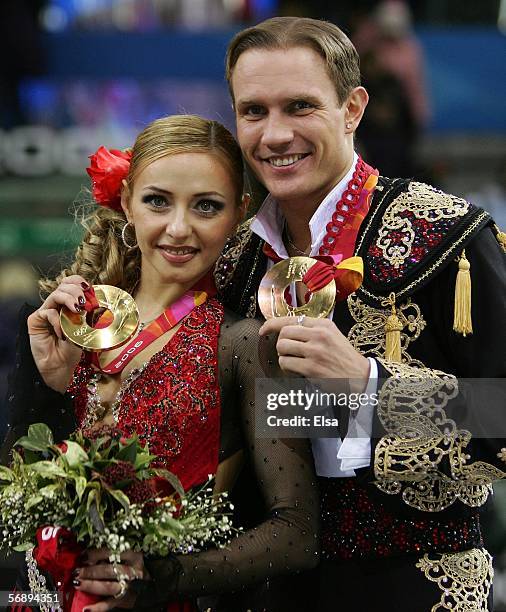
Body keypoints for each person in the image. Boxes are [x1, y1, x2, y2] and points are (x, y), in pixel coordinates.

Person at [214, 16, 506, 611]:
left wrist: (372, 386)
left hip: (418, 585)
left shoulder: (446, 236)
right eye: (253, 111)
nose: (274, 135)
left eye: (300, 106)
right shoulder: (232, 259)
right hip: (268, 590)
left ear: (352, 109)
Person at [2, 114, 319, 611]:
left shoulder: (247, 345)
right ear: (127, 200)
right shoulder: (60, 323)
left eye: (206, 207)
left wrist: (156, 579)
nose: (178, 228)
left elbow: (296, 533)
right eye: (157, 201)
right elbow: (16, 500)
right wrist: (48, 384)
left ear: (239, 214)